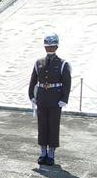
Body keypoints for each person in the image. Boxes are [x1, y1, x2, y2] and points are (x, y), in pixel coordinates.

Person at [28, 33, 72, 166]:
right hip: (42, 98)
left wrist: (64, 98)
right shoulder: (38, 62)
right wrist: (31, 96)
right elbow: (33, 80)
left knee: (53, 126)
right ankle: (43, 152)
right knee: (42, 126)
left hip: (55, 99)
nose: (49, 48)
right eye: (47, 46)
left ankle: (51, 153)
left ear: (56, 46)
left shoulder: (63, 63)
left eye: (52, 46)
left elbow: (67, 82)